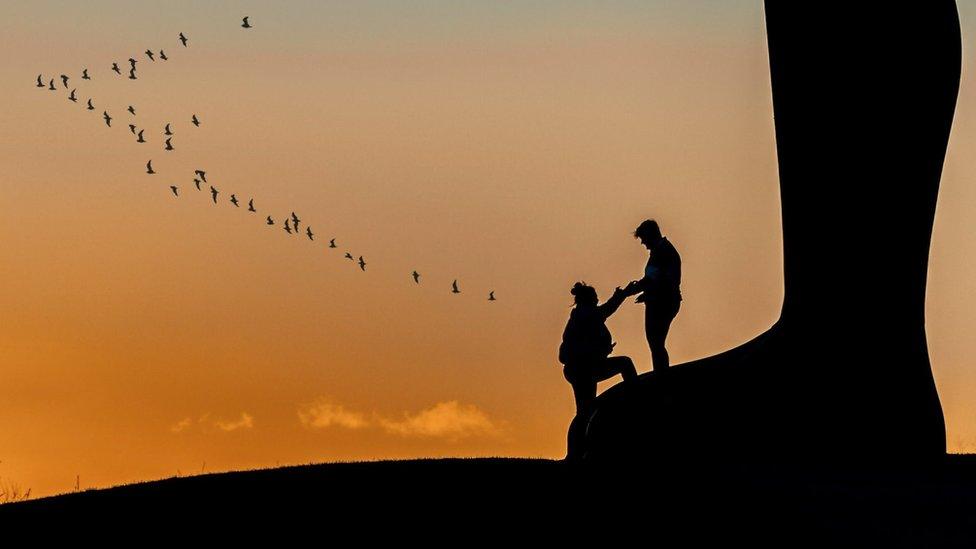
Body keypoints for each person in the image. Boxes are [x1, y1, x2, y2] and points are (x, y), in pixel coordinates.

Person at [559, 281, 638, 462]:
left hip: (583, 367)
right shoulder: (586, 314)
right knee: (625, 364)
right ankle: (635, 395)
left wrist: (602, 351)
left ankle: (576, 453)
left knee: (585, 410)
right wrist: (621, 295)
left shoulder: (581, 315)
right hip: (583, 368)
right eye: (594, 297)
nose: (597, 299)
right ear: (589, 299)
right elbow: (606, 311)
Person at [627, 219, 681, 371]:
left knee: (656, 343)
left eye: (644, 239)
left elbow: (659, 280)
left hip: (662, 303)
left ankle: (661, 376)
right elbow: (653, 280)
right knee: (656, 343)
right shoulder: (661, 251)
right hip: (660, 301)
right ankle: (660, 373)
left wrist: (630, 292)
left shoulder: (663, 252)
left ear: (650, 235)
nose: (643, 244)